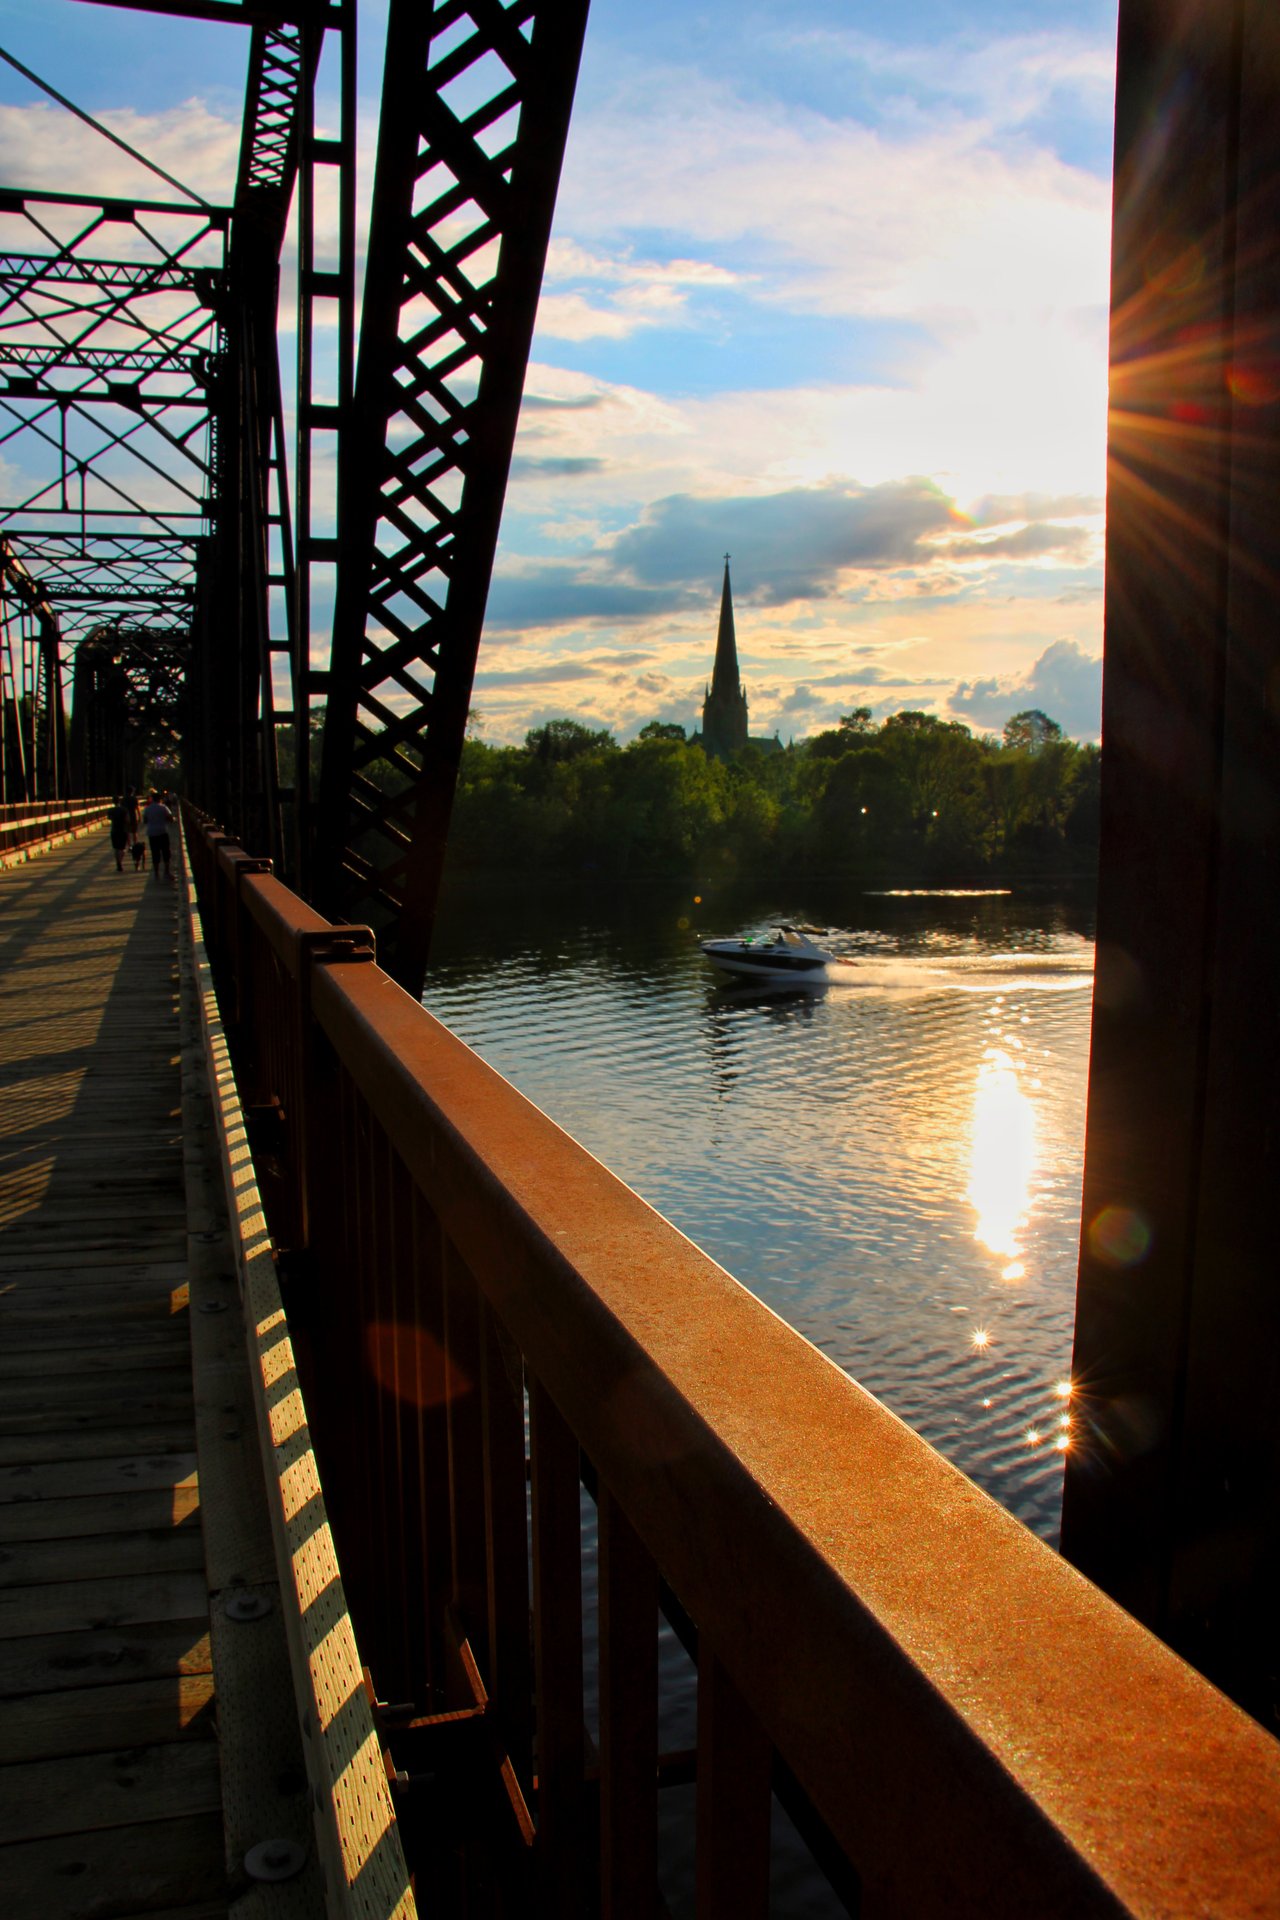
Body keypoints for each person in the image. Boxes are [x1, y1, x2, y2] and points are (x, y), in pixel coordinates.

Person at [142, 789, 174, 884]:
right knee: (165, 852)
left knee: (155, 853)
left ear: (152, 799)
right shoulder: (163, 807)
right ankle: (166, 872)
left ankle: (156, 874)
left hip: (152, 833)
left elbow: (145, 821)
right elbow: (170, 818)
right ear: (160, 799)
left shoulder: (147, 809)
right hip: (162, 831)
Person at [107, 795, 130, 872]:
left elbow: (109, 818)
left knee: (116, 848)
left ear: (113, 802)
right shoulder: (124, 810)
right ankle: (120, 862)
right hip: (123, 830)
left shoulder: (110, 810)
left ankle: (118, 863)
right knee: (122, 848)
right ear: (119, 801)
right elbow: (127, 820)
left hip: (114, 830)